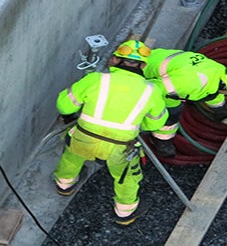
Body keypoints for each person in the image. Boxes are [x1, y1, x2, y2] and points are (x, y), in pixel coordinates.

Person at [52, 43, 168, 225]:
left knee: (71, 158)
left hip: (84, 137)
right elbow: (156, 123)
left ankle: (65, 185)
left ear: (114, 60)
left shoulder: (96, 79)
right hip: (121, 146)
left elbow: (64, 106)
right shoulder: (152, 91)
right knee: (127, 178)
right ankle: (125, 213)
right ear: (143, 66)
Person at [115, 40, 227, 156]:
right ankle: (161, 141)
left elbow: (212, 92)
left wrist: (220, 109)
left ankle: (163, 139)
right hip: (144, 75)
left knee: (174, 108)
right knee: (169, 115)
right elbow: (149, 89)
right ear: (225, 86)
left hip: (163, 73)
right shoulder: (189, 83)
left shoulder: (217, 71)